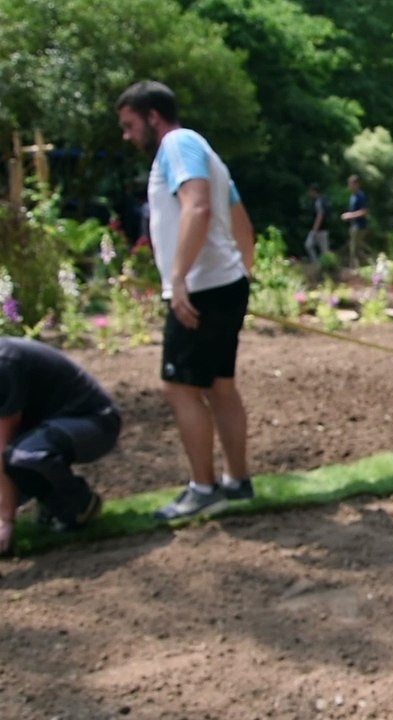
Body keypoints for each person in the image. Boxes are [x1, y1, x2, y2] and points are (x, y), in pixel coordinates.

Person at [115, 80, 256, 521]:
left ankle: (203, 487)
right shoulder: (202, 151)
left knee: (179, 388)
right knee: (219, 386)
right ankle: (237, 482)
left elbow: (198, 208)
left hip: (200, 290)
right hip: (220, 285)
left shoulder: (176, 144)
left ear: (152, 117)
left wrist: (177, 280)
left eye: (129, 124)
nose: (126, 135)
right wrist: (242, 277)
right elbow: (239, 218)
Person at [0, 338, 121, 553]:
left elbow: (2, 446)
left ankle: (80, 504)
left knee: (20, 457)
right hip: (48, 429)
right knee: (19, 457)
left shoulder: (4, 363)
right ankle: (53, 503)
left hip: (96, 423)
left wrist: (5, 521)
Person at [340, 174, 369, 267]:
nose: (349, 186)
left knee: (354, 249)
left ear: (356, 184)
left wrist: (350, 215)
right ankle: (366, 266)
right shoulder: (352, 197)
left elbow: (364, 211)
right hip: (353, 226)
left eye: (351, 184)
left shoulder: (361, 196)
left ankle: (354, 269)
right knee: (355, 249)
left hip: (360, 226)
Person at [304, 183, 331, 264]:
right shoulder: (323, 200)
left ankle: (322, 265)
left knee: (323, 251)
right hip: (323, 229)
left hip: (319, 230)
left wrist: (315, 229)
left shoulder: (318, 201)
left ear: (314, 192)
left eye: (310, 191)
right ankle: (318, 264)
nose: (309, 193)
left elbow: (320, 215)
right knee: (311, 246)